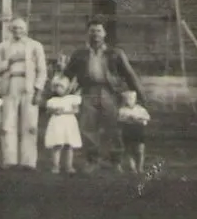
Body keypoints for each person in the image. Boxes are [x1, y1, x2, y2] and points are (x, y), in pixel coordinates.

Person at [63, 19, 146, 173]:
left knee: (113, 127)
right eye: (92, 31)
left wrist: (140, 95)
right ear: (87, 33)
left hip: (110, 92)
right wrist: (60, 87)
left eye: (99, 31)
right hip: (88, 91)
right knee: (88, 127)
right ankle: (92, 160)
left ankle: (115, 161)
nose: (95, 35)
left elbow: (129, 74)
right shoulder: (80, 54)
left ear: (105, 33)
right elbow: (68, 73)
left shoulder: (115, 53)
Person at [0, 17, 48, 171]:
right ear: (10, 30)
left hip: (29, 85)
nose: (18, 31)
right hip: (10, 83)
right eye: (14, 28)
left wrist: (39, 89)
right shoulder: (3, 46)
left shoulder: (35, 46)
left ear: (26, 29)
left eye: (20, 28)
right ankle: (9, 159)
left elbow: (42, 69)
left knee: (30, 124)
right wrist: (9, 62)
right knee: (7, 123)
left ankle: (28, 161)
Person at [44, 75, 83, 174]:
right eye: (56, 87)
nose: (59, 89)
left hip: (69, 123)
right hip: (57, 124)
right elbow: (48, 111)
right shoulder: (52, 100)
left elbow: (76, 110)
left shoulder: (72, 99)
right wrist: (54, 110)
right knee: (57, 144)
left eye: (61, 87)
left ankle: (69, 166)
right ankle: (55, 165)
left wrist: (64, 112)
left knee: (69, 145)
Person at [117, 89, 151, 173]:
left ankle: (140, 167)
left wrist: (138, 118)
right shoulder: (122, 110)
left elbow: (147, 117)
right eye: (127, 99)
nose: (129, 101)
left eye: (132, 99)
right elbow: (119, 119)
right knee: (129, 149)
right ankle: (133, 168)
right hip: (128, 130)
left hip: (138, 130)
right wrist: (127, 118)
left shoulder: (140, 109)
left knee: (140, 150)